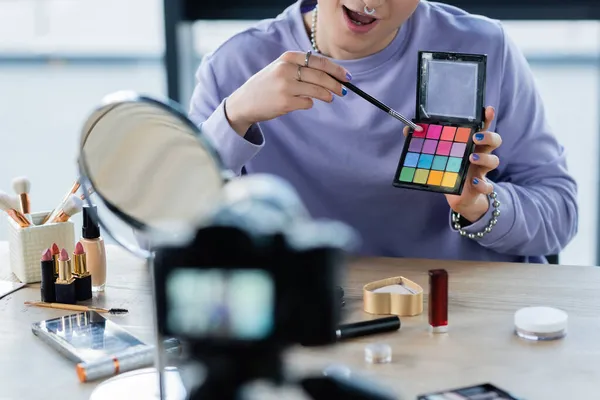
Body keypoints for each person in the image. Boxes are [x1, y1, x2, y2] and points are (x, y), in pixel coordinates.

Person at [189, 0, 578, 263]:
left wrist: (480, 207)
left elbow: (560, 213)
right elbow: (162, 230)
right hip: (310, 308)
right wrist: (233, 118)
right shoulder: (234, 65)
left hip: (461, 312)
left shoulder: (483, 45)